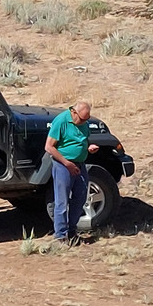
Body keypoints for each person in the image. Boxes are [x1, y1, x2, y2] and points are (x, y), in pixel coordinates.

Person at [44, 100, 100, 245]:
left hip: (80, 165)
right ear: (74, 112)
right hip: (63, 165)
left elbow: (83, 140)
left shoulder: (84, 123)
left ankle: (72, 231)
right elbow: (49, 147)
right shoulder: (61, 121)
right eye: (82, 119)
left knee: (80, 198)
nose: (84, 122)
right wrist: (66, 163)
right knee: (62, 201)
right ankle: (61, 236)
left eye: (86, 119)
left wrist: (89, 148)